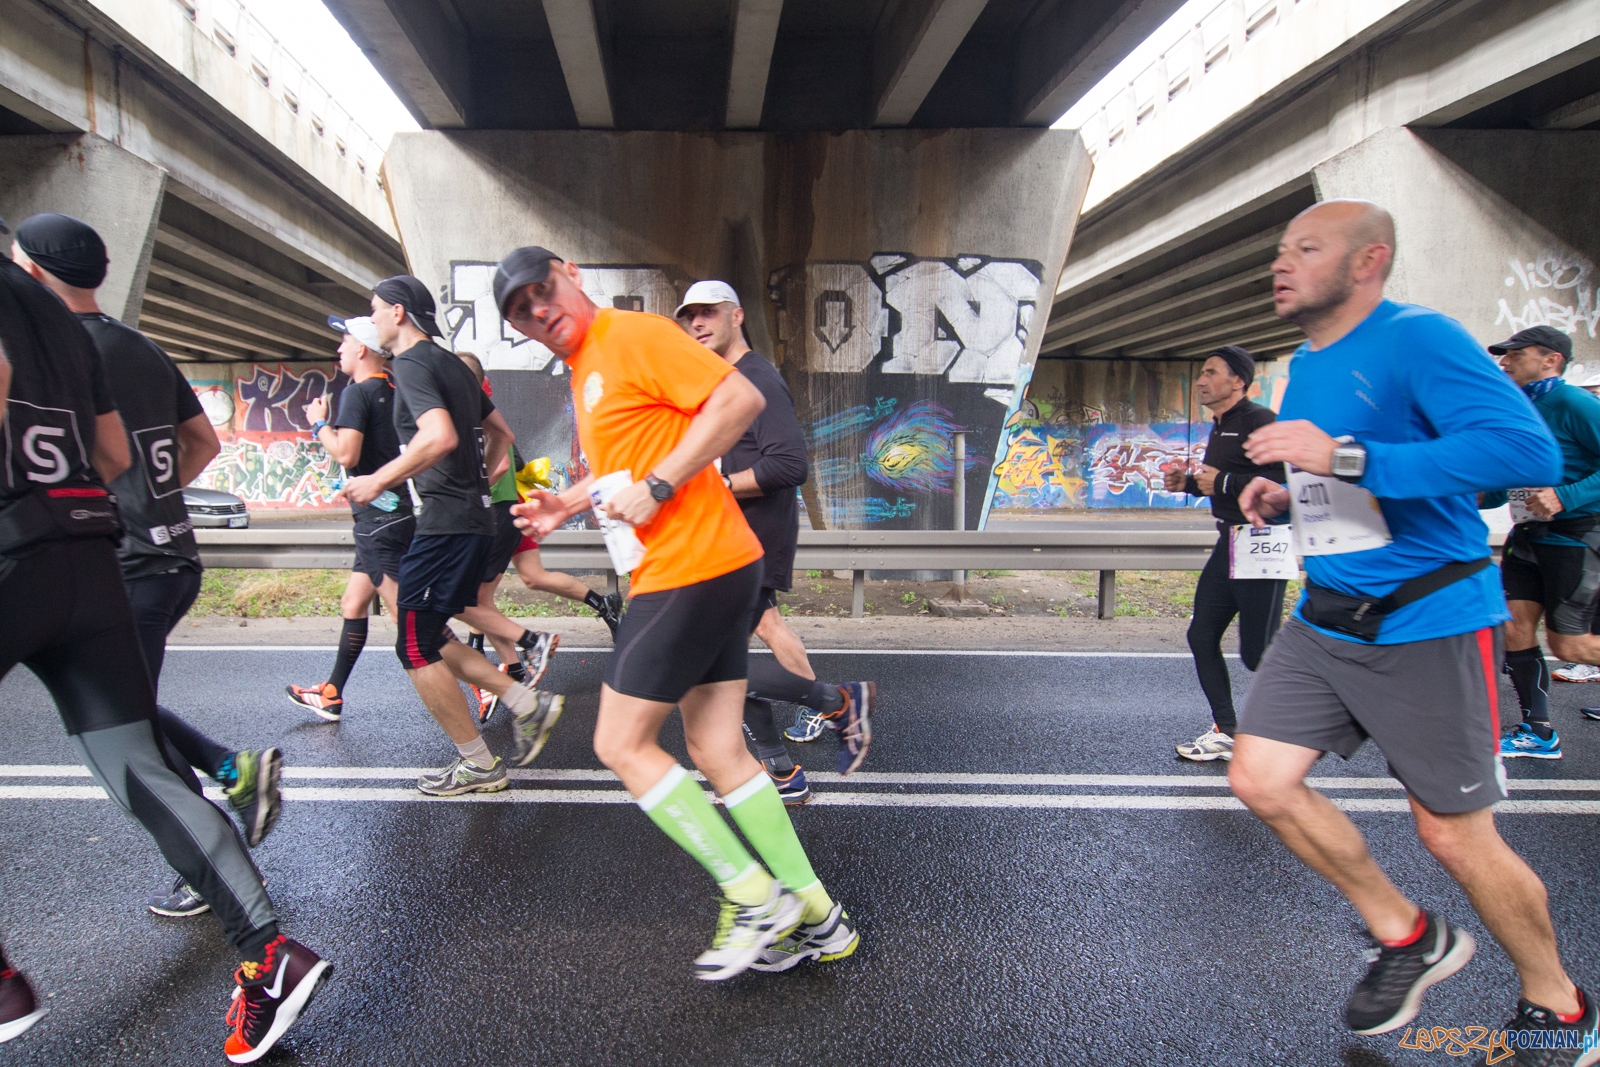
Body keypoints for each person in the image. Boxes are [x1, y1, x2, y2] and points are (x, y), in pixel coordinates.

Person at [1230, 199, 1596, 1058]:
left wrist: (1346, 460)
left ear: (1368, 263)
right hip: (1328, 616)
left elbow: (1526, 456)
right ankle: (1407, 934)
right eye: (1281, 249)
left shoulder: (1419, 338)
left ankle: (1558, 1001)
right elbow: (1346, 480)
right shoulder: (1302, 366)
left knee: (1451, 833)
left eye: (1306, 248)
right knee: (1263, 779)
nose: (1282, 263)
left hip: (1428, 616)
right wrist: (1289, 495)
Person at [0, 217, 328, 1060]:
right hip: (92, 557)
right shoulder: (71, 329)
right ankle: (268, 955)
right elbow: (111, 451)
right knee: (142, 767)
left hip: (10, 550)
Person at [500, 247, 858, 979]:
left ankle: (751, 892)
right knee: (719, 751)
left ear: (571, 271)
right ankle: (821, 917)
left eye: (541, 290)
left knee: (620, 743)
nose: (538, 311)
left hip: (687, 567)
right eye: (520, 310)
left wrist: (663, 485)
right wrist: (568, 500)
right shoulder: (590, 364)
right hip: (717, 563)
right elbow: (636, 454)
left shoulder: (631, 335)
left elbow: (738, 402)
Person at [12, 214, 283, 922]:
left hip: (113, 560)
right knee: (123, 712)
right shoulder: (142, 346)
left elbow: (104, 458)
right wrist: (157, 498)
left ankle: (228, 798)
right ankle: (228, 786)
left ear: (33, 271)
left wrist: (100, 502)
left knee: (126, 727)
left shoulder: (56, 345)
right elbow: (200, 442)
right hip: (172, 555)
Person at [335, 276, 562, 795]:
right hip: (472, 517)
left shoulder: (413, 364)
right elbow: (503, 433)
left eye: (373, 310)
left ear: (397, 313)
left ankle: (482, 763)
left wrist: (378, 478)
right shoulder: (454, 367)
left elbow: (439, 436)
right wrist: (476, 482)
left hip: (445, 523)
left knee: (413, 646)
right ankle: (526, 704)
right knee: (431, 633)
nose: (369, 321)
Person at [674, 280, 874, 803]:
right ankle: (783, 770)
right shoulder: (725, 378)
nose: (697, 323)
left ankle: (834, 705)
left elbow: (790, 465)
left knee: (714, 663)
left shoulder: (757, 377)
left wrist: (715, 485)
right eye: (689, 315)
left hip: (751, 543)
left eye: (708, 313)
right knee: (722, 662)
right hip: (727, 541)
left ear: (736, 315)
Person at [454, 351, 622, 720]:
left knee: (477, 601)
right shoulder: (474, 408)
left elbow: (499, 464)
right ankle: (602, 603)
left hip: (500, 510)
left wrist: (466, 491)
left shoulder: (471, 413)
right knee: (532, 578)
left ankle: (520, 660)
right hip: (512, 505)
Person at [1161, 345, 1287, 762]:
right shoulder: (1220, 425)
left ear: (1238, 382)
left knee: (1258, 654)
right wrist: (1189, 483)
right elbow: (1220, 482)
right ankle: (1227, 730)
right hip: (1228, 542)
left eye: (1211, 372)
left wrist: (1227, 482)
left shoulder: (1261, 422)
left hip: (1262, 543)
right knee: (1201, 635)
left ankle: (1292, 729)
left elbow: (1284, 484)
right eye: (1201, 372)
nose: (1201, 380)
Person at [285, 314, 412, 720]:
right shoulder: (396, 389)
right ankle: (332, 692)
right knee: (354, 602)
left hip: (377, 523)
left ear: (361, 348)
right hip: (396, 514)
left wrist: (319, 423)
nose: (338, 349)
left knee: (410, 627)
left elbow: (346, 454)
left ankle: (490, 684)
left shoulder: (357, 393)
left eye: (343, 341)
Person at [1483, 325, 1600, 756]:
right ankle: (1539, 731)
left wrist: (1566, 495)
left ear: (1550, 359)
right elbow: (1506, 480)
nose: (1504, 361)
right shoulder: (1516, 409)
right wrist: (1475, 493)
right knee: (1513, 628)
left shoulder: (1573, 403)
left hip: (1576, 536)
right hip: (1527, 534)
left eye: (1515, 353)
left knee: (1569, 645)